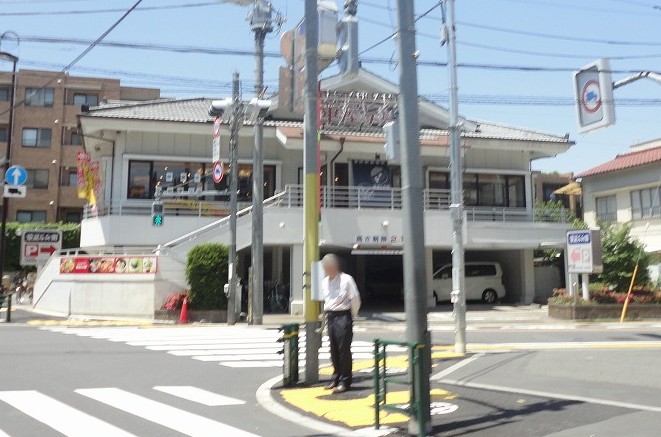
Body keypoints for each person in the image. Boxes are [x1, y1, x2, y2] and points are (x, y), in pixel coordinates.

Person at [321, 253, 361, 394]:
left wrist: (351, 315)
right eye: (325, 266)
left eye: (329, 266)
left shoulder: (346, 279)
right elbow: (326, 301)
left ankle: (345, 381)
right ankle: (335, 377)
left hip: (343, 316)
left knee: (343, 349)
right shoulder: (325, 281)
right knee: (333, 349)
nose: (327, 269)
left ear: (336, 266)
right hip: (331, 316)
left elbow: (355, 299)